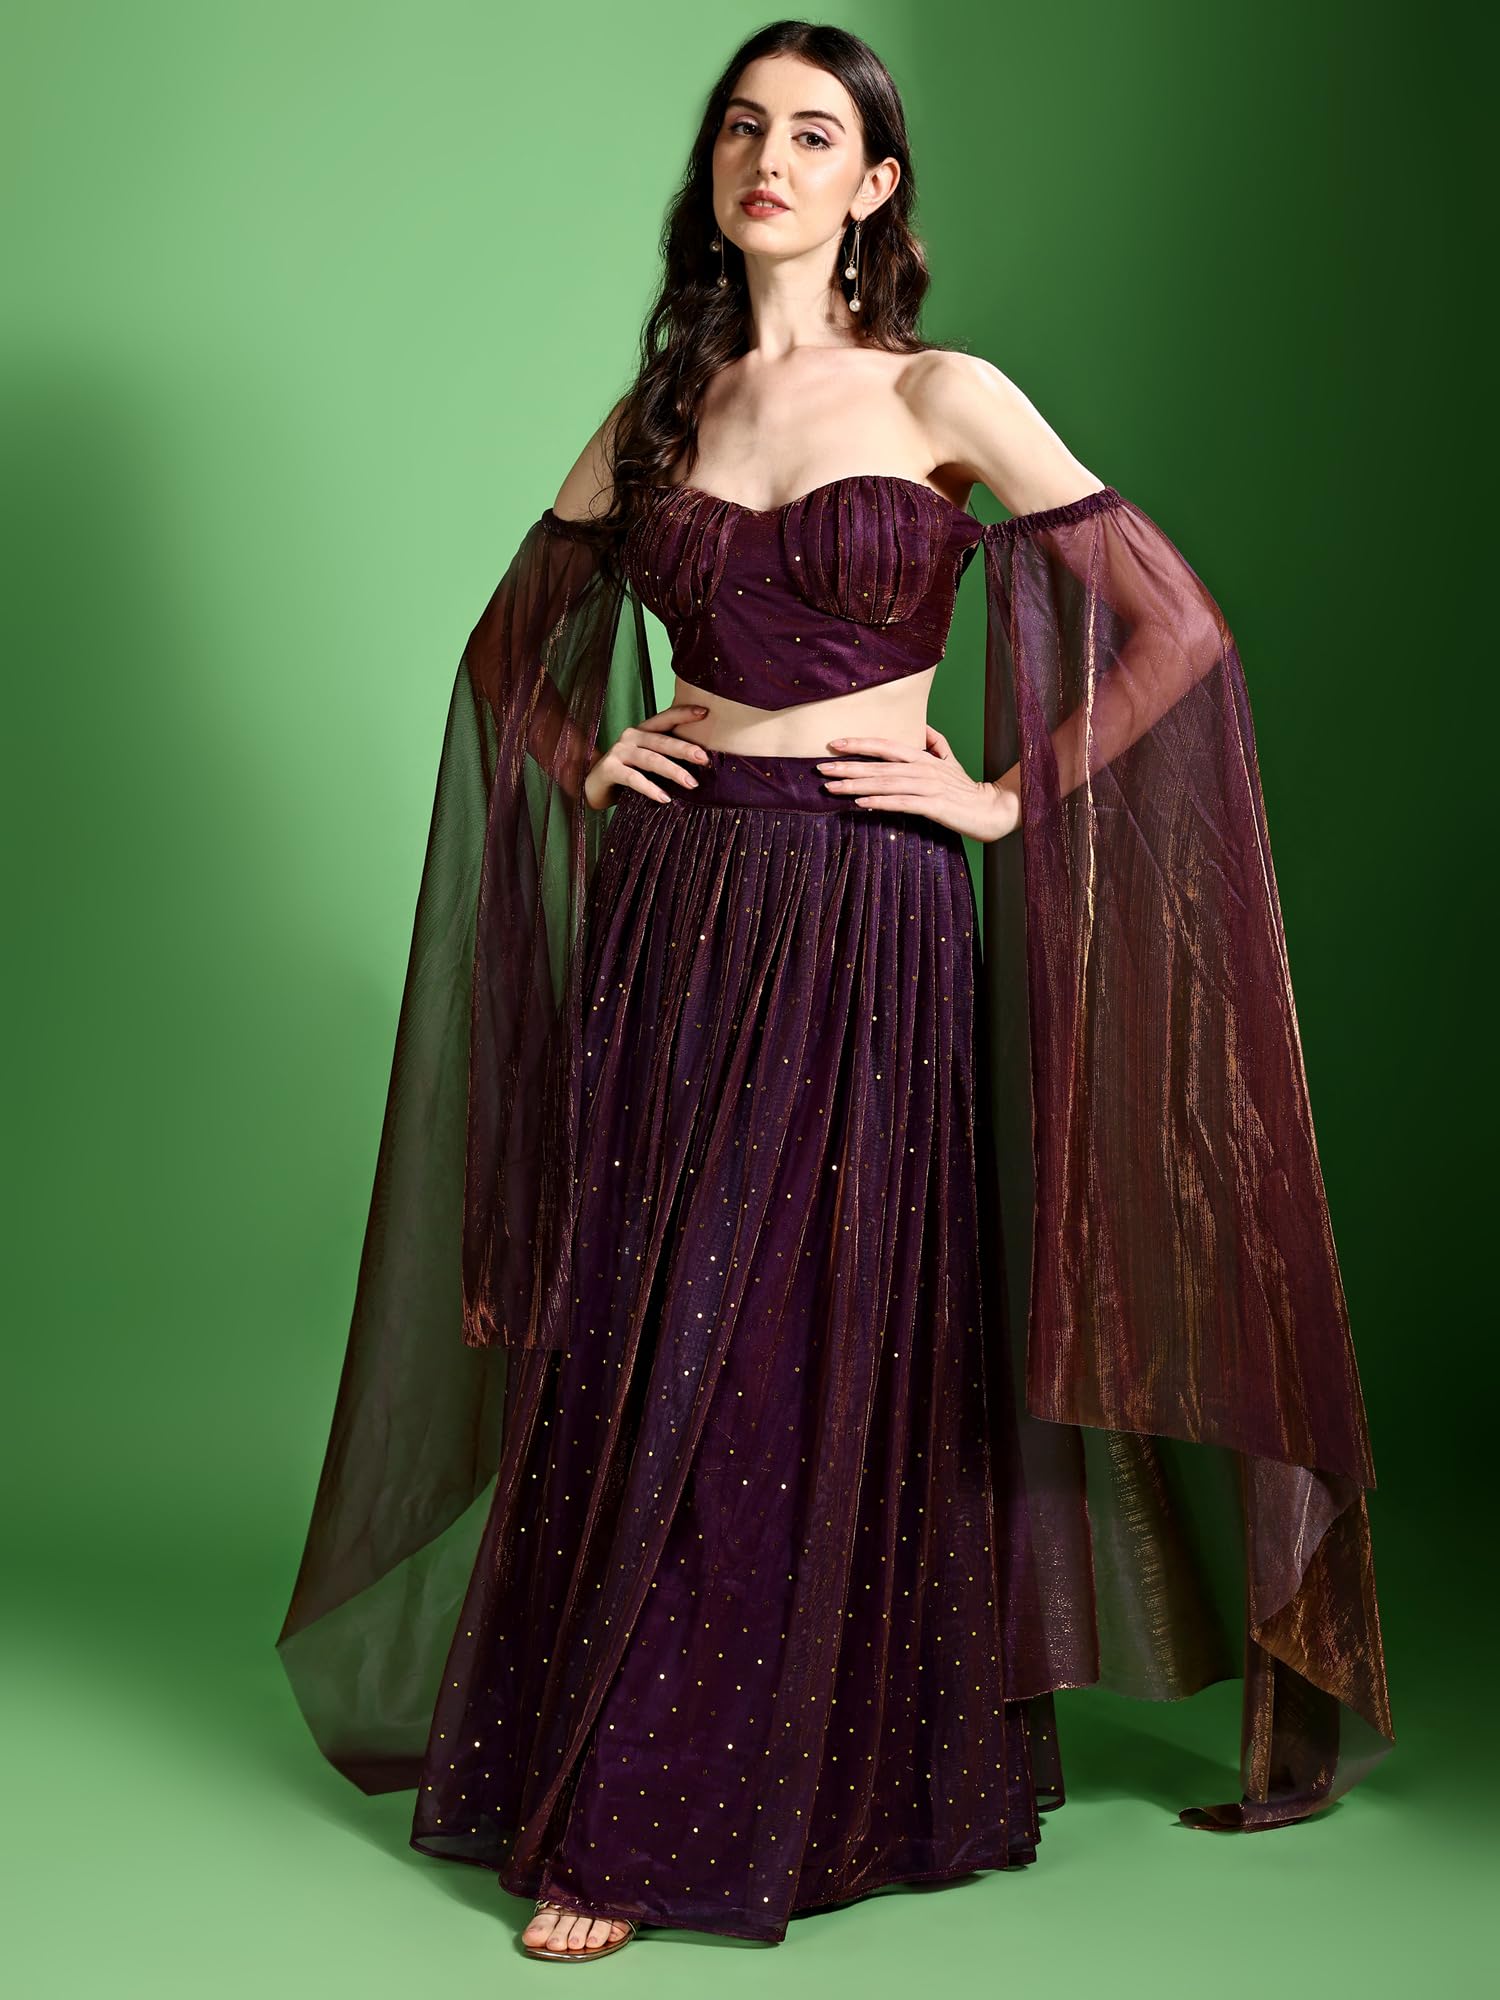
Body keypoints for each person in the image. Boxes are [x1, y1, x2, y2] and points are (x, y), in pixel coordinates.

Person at [275, 19, 1394, 1965]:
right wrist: (588, 755)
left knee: (804, 1331)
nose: (768, 159)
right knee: (652, 1324)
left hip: (870, 909)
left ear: (875, 185)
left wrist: (1006, 791)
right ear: (715, 173)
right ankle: (624, 1769)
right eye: (742, 128)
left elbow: (1174, 627)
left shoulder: (947, 390)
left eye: (813, 133)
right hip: (678, 903)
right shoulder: (664, 414)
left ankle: (727, 1794)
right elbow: (508, 654)